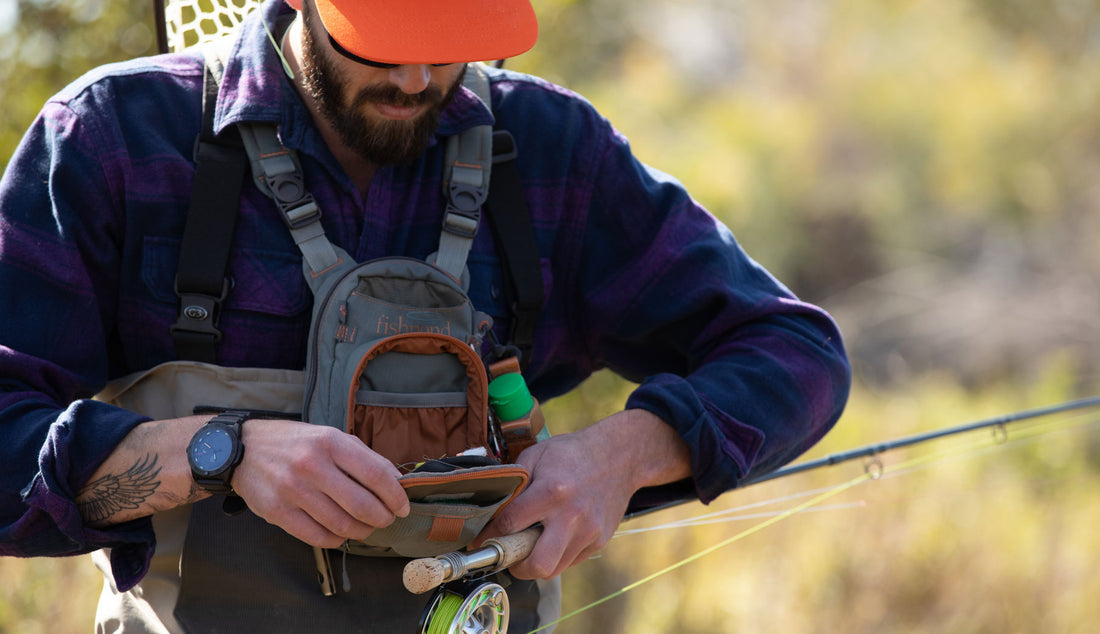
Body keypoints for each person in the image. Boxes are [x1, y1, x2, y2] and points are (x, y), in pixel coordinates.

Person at [0, 0, 851, 631]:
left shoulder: (555, 152)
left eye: (449, 41)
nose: (417, 80)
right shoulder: (113, 139)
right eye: (388, 41)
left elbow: (795, 351)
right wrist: (220, 452)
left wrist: (624, 453)